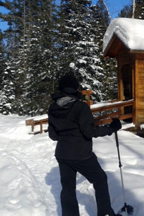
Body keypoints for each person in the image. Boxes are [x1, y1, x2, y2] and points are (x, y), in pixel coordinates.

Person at [48, 74, 122, 216]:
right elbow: (89, 132)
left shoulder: (53, 108)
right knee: (100, 180)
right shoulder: (80, 107)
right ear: (75, 89)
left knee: (68, 188)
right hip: (81, 154)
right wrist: (111, 128)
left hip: (62, 154)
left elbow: (53, 135)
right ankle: (105, 213)